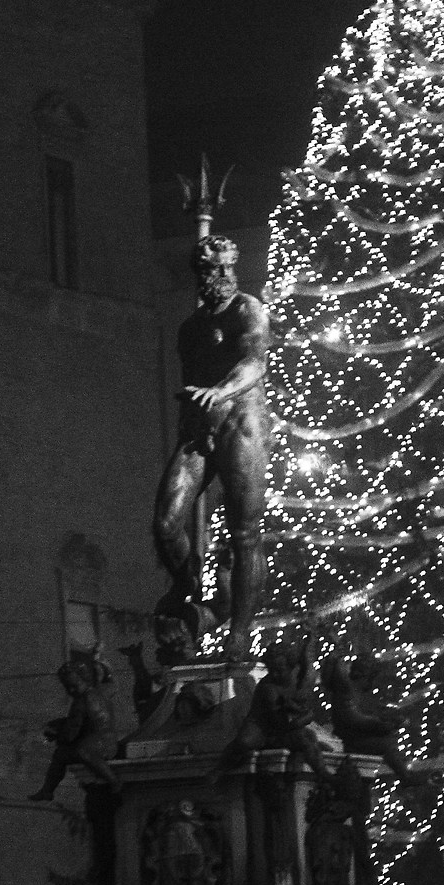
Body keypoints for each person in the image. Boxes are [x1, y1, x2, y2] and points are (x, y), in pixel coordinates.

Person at [154, 232, 273, 662]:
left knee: (244, 534)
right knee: (166, 522)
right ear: (199, 274)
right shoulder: (190, 328)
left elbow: (254, 362)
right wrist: (194, 417)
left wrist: (221, 391)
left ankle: (239, 633)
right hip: (201, 429)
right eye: (211, 268)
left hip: (243, 424)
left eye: (227, 267)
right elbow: (190, 381)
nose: (222, 275)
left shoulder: (248, 309)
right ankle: (185, 583)